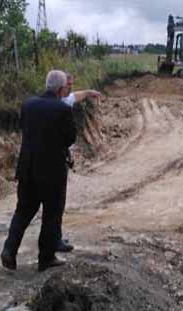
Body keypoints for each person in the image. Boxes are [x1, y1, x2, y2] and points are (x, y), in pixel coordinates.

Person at [1, 70, 76, 272]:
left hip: (27, 169)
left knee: (23, 212)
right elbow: (70, 139)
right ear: (61, 89)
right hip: (52, 173)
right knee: (51, 215)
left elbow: (24, 128)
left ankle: (9, 251)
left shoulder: (28, 105)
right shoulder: (62, 110)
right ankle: (46, 258)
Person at [54, 73, 102, 253]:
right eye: (69, 85)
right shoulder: (60, 106)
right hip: (57, 160)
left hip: (54, 159)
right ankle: (54, 240)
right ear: (60, 86)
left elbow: (77, 96)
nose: (71, 88)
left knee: (54, 203)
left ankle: (52, 236)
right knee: (56, 203)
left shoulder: (59, 100)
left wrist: (90, 92)